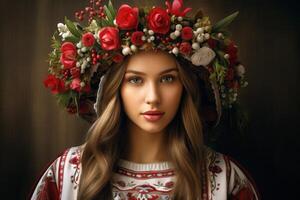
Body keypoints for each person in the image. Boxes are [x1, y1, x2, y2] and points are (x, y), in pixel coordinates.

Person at [30, 0, 260, 199]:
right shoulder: (67, 175)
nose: (153, 98)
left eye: (168, 79)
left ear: (186, 87)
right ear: (114, 89)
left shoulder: (224, 178)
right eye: (135, 80)